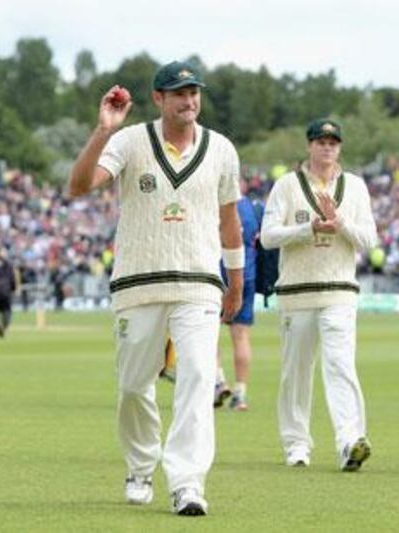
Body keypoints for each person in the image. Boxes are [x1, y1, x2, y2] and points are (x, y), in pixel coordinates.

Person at [68, 60, 243, 516]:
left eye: (194, 92)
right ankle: (141, 464)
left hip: (199, 282)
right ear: (159, 99)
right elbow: (79, 186)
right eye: (178, 93)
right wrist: (102, 130)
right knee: (133, 385)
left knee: (200, 376)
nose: (189, 100)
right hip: (137, 283)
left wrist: (236, 279)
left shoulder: (221, 149)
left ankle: (187, 482)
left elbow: (229, 221)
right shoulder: (128, 141)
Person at [261, 118, 378, 472]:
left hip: (340, 290)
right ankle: (297, 444)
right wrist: (307, 227)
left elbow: (369, 241)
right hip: (297, 292)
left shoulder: (355, 187)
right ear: (309, 145)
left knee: (340, 364)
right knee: (296, 372)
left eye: (333, 142)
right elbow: (268, 237)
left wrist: (339, 223)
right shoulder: (287, 186)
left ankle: (349, 441)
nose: (327, 147)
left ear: (339, 147)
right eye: (321, 141)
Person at [215, 190, 262, 411]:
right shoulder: (251, 209)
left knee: (209, 333)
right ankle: (240, 393)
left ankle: (218, 380)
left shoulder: (215, 203)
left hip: (217, 274)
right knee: (241, 336)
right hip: (246, 275)